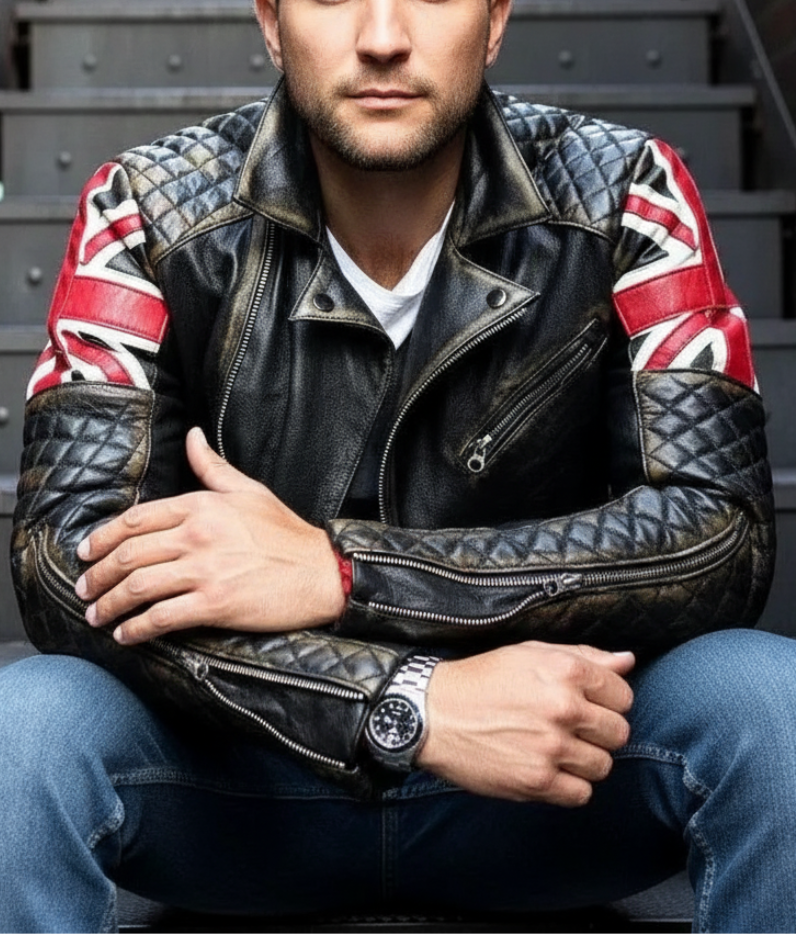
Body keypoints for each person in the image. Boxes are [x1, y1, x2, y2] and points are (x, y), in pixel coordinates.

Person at [3, 0, 793, 933]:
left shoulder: (626, 191)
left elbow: (719, 531)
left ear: (495, 18)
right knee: (27, 725)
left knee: (769, 700)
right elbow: (64, 560)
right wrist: (407, 701)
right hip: (238, 784)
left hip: (554, 776)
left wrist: (342, 570)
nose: (383, 37)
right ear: (271, 20)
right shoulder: (145, 208)